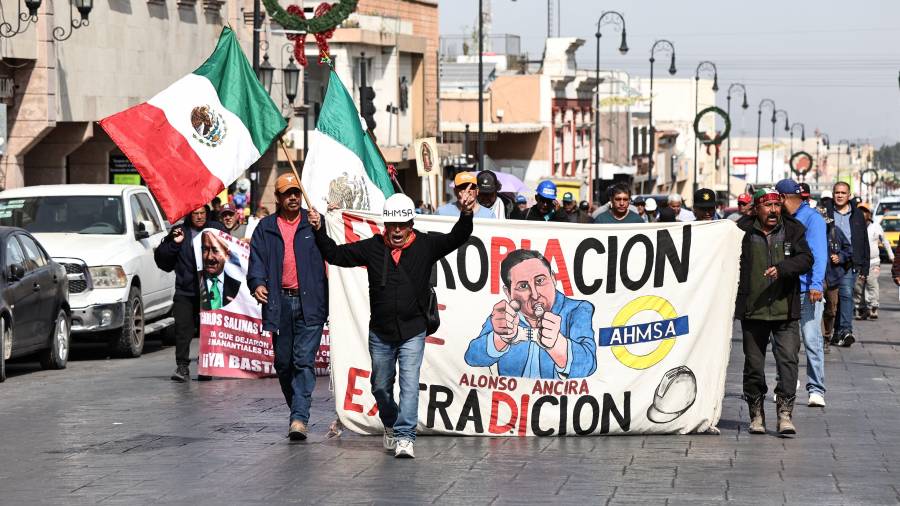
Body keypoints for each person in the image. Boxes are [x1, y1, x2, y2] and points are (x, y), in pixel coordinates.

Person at [309, 192, 475, 459]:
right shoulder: (372, 247)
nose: (397, 231)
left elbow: (457, 236)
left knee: (409, 385)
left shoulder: (426, 245)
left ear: (411, 223)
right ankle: (390, 423)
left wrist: (466, 214)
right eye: (392, 225)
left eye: (402, 225)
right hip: (381, 333)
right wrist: (319, 229)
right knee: (380, 387)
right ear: (385, 225)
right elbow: (335, 254)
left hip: (413, 330)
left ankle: (405, 436)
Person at [247, 173, 328, 441]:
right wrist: (257, 283)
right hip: (278, 303)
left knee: (303, 361)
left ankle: (298, 418)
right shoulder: (265, 228)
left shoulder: (313, 223)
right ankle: (298, 407)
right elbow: (256, 261)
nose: (293, 197)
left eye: (296, 192)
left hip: (310, 303)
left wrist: (323, 226)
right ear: (278, 198)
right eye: (287, 193)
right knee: (283, 364)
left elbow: (333, 247)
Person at [734, 188, 813, 435]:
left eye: (777, 205)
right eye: (767, 206)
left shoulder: (793, 230)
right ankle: (756, 414)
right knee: (754, 365)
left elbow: (806, 259)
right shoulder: (740, 232)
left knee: (788, 362)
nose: (773, 210)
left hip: (785, 310)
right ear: (757, 208)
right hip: (753, 310)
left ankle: (785, 414)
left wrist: (783, 268)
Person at [464, 249, 597, 379]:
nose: (535, 295)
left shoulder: (578, 309)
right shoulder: (504, 315)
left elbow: (589, 365)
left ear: (553, 279)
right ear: (508, 293)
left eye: (540, 281)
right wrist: (500, 338)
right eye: (523, 286)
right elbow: (472, 358)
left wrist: (557, 344)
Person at [154, 206, 225, 382]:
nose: (200, 217)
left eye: (202, 214)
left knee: (208, 330)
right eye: (196, 214)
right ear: (189, 215)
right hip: (186, 291)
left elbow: (230, 252)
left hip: (210, 291)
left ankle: (206, 367)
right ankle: (182, 367)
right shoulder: (180, 231)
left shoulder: (216, 229)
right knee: (183, 329)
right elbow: (163, 261)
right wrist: (174, 243)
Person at [777, 179, 827, 407]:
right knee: (784, 341)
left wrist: (816, 284)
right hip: (785, 288)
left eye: (777, 199)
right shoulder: (780, 219)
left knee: (811, 339)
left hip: (807, 289)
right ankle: (786, 383)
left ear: (785, 197)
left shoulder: (812, 219)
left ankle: (816, 388)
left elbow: (819, 254)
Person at [822, 182, 869, 347]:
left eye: (843, 193)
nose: (840, 195)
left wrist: (865, 266)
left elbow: (864, 241)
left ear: (849, 195)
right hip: (828, 264)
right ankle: (832, 332)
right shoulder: (824, 211)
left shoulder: (857, 215)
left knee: (846, 295)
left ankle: (845, 330)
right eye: (837, 192)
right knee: (832, 301)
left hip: (849, 263)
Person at [854, 203, 894, 320]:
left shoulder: (876, 227)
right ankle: (860, 308)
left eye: (865, 211)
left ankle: (873, 307)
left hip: (873, 261)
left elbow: (885, 242)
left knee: (872, 283)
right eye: (860, 211)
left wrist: (891, 256)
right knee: (858, 286)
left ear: (869, 214)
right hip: (859, 262)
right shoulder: (854, 226)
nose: (862, 214)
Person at [821, 207, 852, 354]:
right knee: (816, 310)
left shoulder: (835, 232)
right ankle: (820, 339)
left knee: (831, 311)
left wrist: (840, 257)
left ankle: (827, 335)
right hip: (818, 278)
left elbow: (848, 250)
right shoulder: (809, 233)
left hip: (833, 277)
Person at [199, 231, 241, 310]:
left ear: (227, 255)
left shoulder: (237, 288)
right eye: (205, 250)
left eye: (216, 250)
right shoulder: (194, 284)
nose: (209, 257)